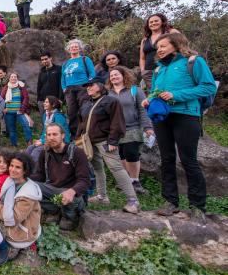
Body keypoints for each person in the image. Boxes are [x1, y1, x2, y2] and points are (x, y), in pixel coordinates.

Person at [142, 33, 216, 224]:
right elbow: (156, 92)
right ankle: (170, 201)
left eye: (163, 46)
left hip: (186, 115)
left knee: (188, 160)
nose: (159, 49)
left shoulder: (193, 61)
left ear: (176, 45)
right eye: (158, 47)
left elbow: (208, 87)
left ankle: (197, 206)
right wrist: (149, 99)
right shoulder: (159, 69)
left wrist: (177, 94)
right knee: (166, 159)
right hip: (162, 117)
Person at [78, 78, 140, 214]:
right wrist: (79, 138)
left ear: (100, 86)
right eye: (87, 86)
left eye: (91, 85)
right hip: (89, 141)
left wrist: (113, 141)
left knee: (116, 168)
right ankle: (102, 196)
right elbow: (82, 122)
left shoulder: (111, 101)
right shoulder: (86, 103)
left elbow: (117, 121)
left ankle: (133, 201)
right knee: (97, 168)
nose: (88, 88)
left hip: (105, 141)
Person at [0, 152, 42, 264]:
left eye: (18, 167)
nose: (12, 169)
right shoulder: (12, 181)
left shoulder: (27, 194)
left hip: (21, 228)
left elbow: (14, 218)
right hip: (7, 215)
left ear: (25, 171)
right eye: (11, 165)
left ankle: (4, 247)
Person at [31, 123, 91, 230]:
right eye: (48, 135)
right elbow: (40, 176)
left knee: (65, 225)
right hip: (52, 192)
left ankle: (69, 216)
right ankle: (55, 211)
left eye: (55, 134)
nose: (51, 138)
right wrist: (24, 178)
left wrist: (72, 191)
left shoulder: (77, 152)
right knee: (28, 186)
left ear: (62, 135)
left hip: (71, 194)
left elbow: (84, 180)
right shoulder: (45, 153)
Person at [107, 66, 153, 195]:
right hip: (115, 130)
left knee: (131, 153)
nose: (114, 77)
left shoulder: (135, 90)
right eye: (111, 76)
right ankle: (125, 181)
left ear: (123, 76)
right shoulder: (107, 93)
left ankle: (135, 181)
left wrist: (148, 127)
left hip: (132, 127)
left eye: (116, 74)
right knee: (120, 155)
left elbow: (143, 109)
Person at [61, 39, 96, 138]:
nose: (74, 48)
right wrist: (64, 87)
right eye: (72, 47)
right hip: (69, 90)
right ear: (69, 49)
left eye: (76, 46)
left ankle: (87, 132)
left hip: (82, 87)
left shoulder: (85, 59)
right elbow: (62, 77)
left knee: (84, 110)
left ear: (80, 48)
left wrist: (89, 84)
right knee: (72, 113)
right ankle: (75, 136)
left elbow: (92, 73)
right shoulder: (65, 63)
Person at [139, 13, 179, 91]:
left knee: (169, 92)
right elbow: (142, 58)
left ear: (162, 22)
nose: (153, 23)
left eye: (156, 21)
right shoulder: (145, 39)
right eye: (151, 22)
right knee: (155, 93)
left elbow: (182, 46)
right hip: (149, 73)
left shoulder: (171, 32)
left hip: (167, 68)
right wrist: (143, 72)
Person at [25, 96, 70, 164]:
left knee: (36, 151)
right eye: (44, 102)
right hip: (48, 139)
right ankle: (25, 168)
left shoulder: (59, 117)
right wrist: (40, 140)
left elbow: (56, 134)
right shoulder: (45, 115)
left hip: (60, 141)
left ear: (53, 104)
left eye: (46, 102)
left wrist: (42, 142)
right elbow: (45, 131)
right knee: (30, 148)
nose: (44, 103)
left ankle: (34, 171)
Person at [1, 72, 33, 146]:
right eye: (11, 77)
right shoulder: (6, 87)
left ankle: (29, 143)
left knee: (26, 124)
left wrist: (22, 108)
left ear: (17, 78)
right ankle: (14, 145)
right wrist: (4, 108)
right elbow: (1, 99)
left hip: (20, 111)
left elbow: (26, 98)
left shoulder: (21, 86)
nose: (13, 78)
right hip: (9, 112)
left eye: (15, 77)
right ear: (9, 78)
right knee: (12, 129)